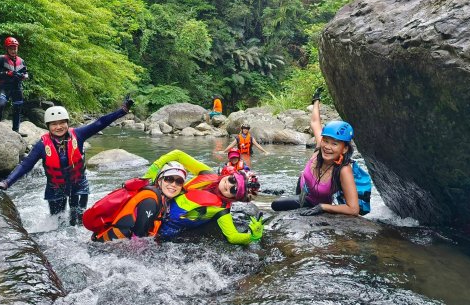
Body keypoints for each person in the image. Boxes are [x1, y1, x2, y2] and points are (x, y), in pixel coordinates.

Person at [0, 96, 133, 226]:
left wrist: (122, 111)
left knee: (77, 222)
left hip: (79, 186)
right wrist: (6, 182)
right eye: (54, 124)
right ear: (48, 126)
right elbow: (25, 165)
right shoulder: (42, 145)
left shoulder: (78, 135)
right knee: (57, 223)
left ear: (67, 123)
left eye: (62, 123)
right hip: (55, 188)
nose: (58, 127)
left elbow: (100, 123)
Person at [144, 150, 264, 245]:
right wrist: (155, 167)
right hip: (159, 203)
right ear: (230, 175)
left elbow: (233, 237)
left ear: (235, 198)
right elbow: (178, 155)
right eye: (232, 180)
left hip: (164, 230)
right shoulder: (207, 174)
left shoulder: (222, 209)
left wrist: (253, 237)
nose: (228, 185)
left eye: (234, 190)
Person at [271, 88, 359, 216]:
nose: (327, 147)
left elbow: (353, 209)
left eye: (334, 143)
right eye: (326, 141)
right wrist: (316, 100)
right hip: (302, 187)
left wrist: (323, 207)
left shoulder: (343, 170)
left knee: (276, 205)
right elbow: (315, 122)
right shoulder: (320, 146)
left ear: (344, 149)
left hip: (313, 202)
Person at [90, 162, 187, 242]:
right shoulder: (150, 201)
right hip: (106, 247)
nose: (174, 184)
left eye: (179, 181)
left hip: (116, 246)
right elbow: (138, 237)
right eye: (169, 179)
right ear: (159, 180)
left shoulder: (163, 200)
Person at [0, 36, 29, 136]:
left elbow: (26, 74)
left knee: (17, 108)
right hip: (4, 87)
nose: (13, 50)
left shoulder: (21, 61)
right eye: (11, 48)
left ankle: (16, 131)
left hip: (17, 88)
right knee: (0, 105)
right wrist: (7, 73)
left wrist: (22, 76)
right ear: (7, 49)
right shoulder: (0, 59)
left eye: (15, 48)